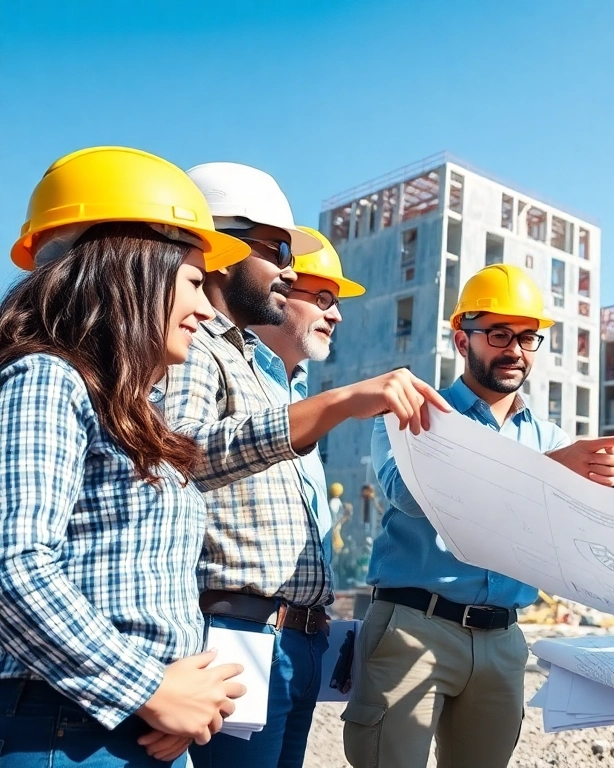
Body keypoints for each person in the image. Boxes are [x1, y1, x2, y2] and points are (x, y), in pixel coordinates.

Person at [162, 162, 448, 768]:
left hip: (293, 640)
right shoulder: (197, 350)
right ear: (222, 248)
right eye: (279, 252)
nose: (289, 270)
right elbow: (179, 453)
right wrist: (339, 404)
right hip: (239, 634)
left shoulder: (258, 373)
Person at [0, 146, 250, 766]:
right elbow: (13, 565)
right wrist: (150, 689)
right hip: (66, 726)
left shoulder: (138, 412)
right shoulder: (47, 379)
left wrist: (178, 701)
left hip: (123, 726)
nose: (203, 308)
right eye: (194, 282)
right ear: (130, 269)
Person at [343, 264, 614, 768]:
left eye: (527, 337)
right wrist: (544, 473)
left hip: (503, 641)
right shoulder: (410, 412)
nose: (515, 349)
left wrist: (594, 499)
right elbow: (408, 497)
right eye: (499, 334)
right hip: (415, 626)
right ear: (462, 339)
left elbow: (565, 543)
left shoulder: (552, 439)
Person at [252, 226, 365, 563]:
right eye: (322, 299)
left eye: (336, 303)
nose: (336, 315)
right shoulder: (227, 372)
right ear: (280, 288)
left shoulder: (298, 394)